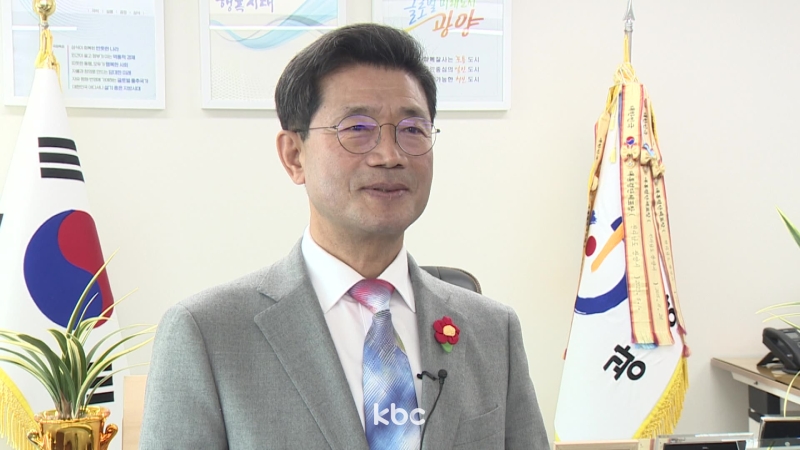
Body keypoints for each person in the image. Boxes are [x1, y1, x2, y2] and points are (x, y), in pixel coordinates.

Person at [139, 23, 549, 449]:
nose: (389, 155)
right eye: (357, 128)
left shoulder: (492, 331)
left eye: (412, 129)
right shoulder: (208, 334)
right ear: (294, 155)